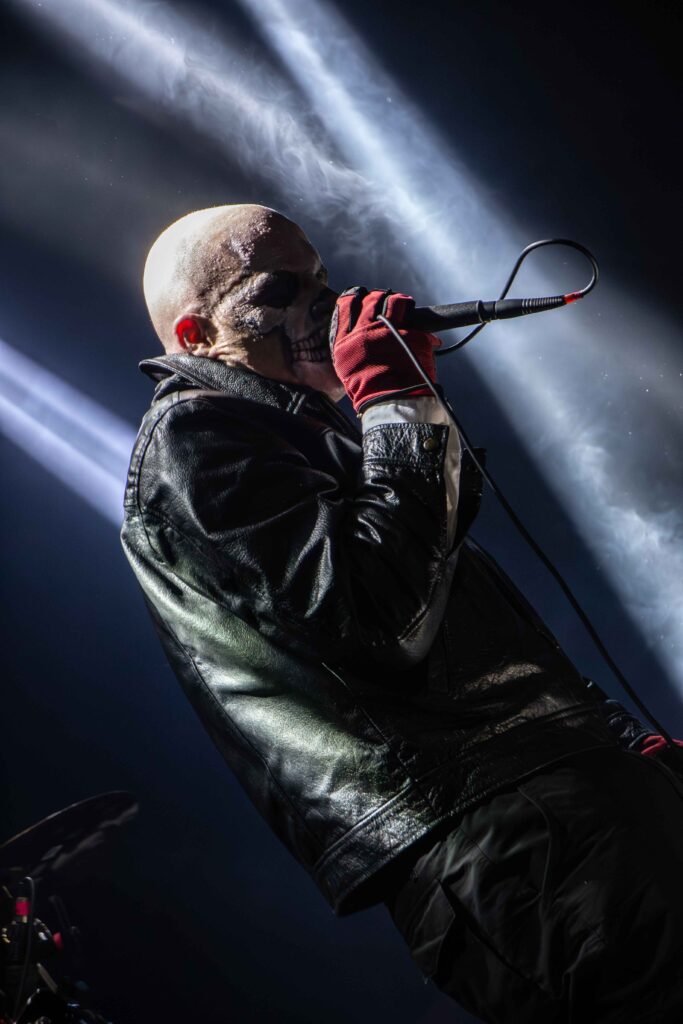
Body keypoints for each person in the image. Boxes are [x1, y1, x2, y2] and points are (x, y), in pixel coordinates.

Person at [121, 203, 683, 1023]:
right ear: (197, 335)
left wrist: (614, 751)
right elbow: (380, 618)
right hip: (503, 830)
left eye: (322, 280)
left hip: (557, 794)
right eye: (280, 290)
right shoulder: (192, 438)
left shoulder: (314, 438)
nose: (324, 303)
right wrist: (393, 401)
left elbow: (450, 612)